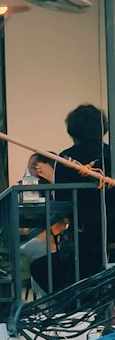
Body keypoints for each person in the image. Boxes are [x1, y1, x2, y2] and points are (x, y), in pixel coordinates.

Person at [30, 105, 113, 291]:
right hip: (109, 232)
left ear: (73, 131)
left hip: (87, 235)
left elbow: (61, 200)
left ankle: (71, 307)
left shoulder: (67, 159)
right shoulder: (112, 154)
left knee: (41, 267)